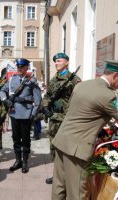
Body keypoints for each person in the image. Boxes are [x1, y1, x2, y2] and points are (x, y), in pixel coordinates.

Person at [51, 60, 118, 200]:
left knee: (59, 187)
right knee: (77, 194)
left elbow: (81, 112)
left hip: (62, 141)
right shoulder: (109, 96)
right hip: (78, 149)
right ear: (115, 75)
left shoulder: (82, 85)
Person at [42, 52, 81, 184]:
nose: (56, 63)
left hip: (66, 119)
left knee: (65, 148)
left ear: (66, 62)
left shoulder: (75, 80)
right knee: (54, 147)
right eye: (55, 61)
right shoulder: (54, 79)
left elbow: (79, 99)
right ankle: (57, 175)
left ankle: (67, 177)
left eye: (59, 61)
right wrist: (46, 106)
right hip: (54, 118)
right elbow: (47, 95)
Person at [0, 58, 42, 173]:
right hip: (14, 114)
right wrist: (5, 100)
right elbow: (2, 90)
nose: (19, 69)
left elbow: (38, 100)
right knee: (16, 138)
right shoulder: (12, 79)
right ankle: (18, 160)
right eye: (18, 67)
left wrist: (32, 114)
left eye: (22, 67)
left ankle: (25, 162)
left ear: (26, 68)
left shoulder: (32, 81)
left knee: (26, 139)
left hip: (26, 114)